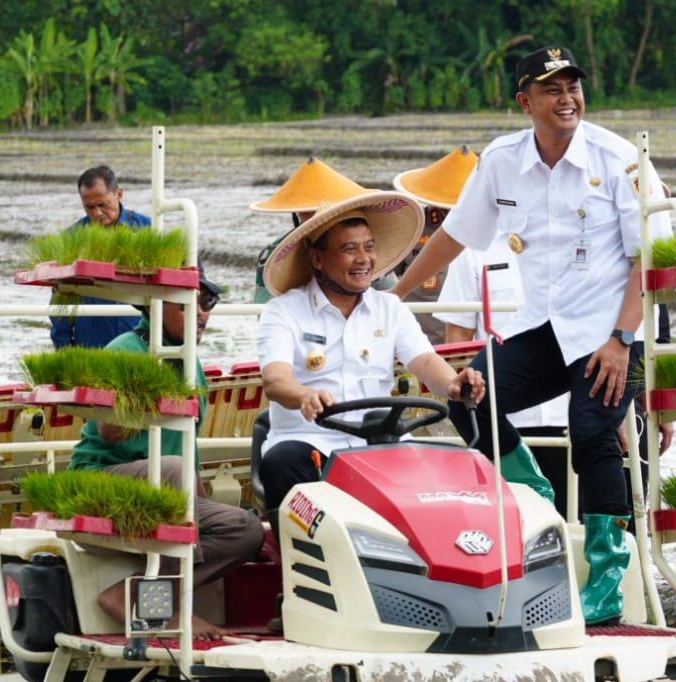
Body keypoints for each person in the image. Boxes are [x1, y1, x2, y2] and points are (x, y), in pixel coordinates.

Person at [391, 47, 670, 625]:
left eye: (573, 87)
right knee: (468, 397)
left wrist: (622, 339)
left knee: (592, 431)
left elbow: (650, 257)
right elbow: (456, 235)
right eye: (552, 89)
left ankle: (606, 579)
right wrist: (396, 293)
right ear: (525, 101)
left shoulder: (619, 158)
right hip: (546, 326)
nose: (567, 99)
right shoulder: (503, 160)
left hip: (615, 331)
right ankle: (536, 499)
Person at [255, 191, 485, 517]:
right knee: (282, 463)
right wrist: (304, 395)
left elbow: (425, 360)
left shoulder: (389, 308)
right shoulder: (283, 311)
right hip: (310, 441)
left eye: (369, 247)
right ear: (317, 259)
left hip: (382, 444)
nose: (363, 259)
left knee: (443, 475)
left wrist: (454, 383)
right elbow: (276, 381)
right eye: (349, 249)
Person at [68, 264, 263, 640]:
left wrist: (204, 511)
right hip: (100, 484)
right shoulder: (124, 351)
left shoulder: (190, 364)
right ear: (156, 305)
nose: (201, 313)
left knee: (246, 530)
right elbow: (109, 430)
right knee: (172, 469)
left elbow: (186, 448)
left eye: (207, 302)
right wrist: (153, 400)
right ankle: (162, 612)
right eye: (187, 304)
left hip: (168, 485)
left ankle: (130, 595)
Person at [395, 146, 568, 509]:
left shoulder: (565, 244)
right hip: (501, 416)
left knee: (571, 510)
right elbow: (457, 344)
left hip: (564, 412)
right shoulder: (472, 251)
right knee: (511, 513)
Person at [48, 165, 151, 349]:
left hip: (140, 343)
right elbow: (60, 301)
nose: (97, 213)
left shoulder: (148, 230)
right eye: (89, 207)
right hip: (91, 343)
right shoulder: (71, 239)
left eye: (103, 204)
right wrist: (64, 349)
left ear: (119, 194)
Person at [250, 155, 369, 302]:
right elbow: (264, 307)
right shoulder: (275, 255)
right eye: (311, 210)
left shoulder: (365, 248)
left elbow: (388, 294)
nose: (319, 217)